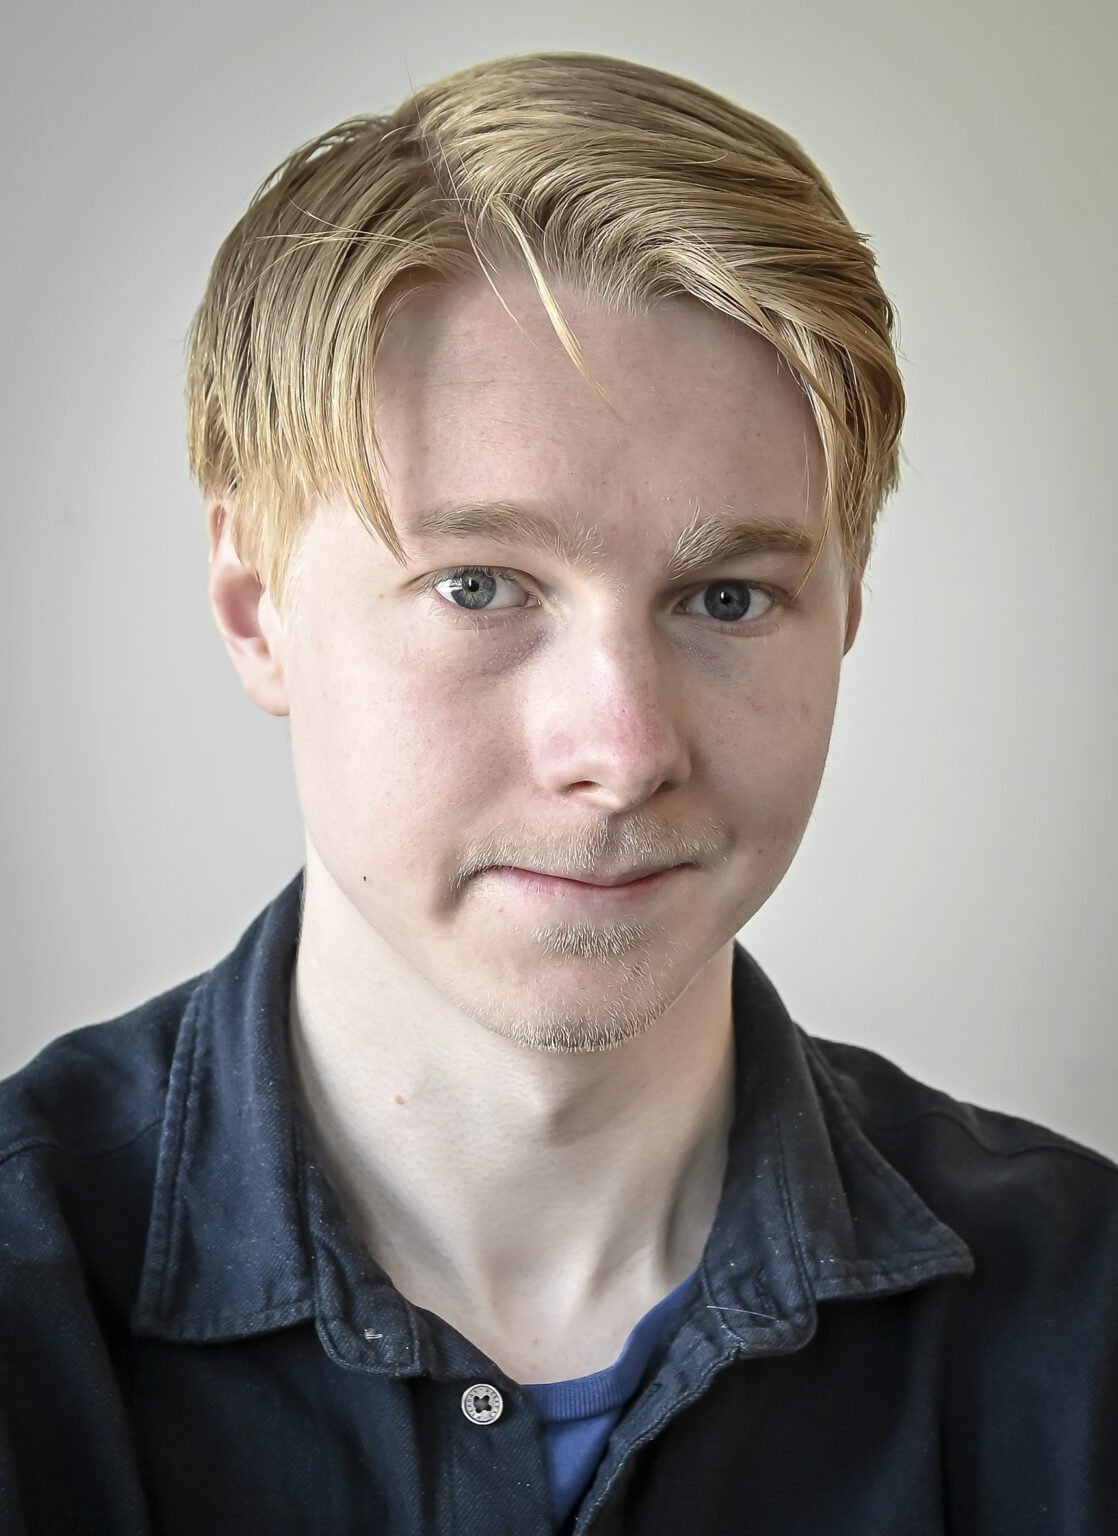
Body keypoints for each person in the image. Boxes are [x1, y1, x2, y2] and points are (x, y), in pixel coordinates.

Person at [0, 51, 1114, 1536]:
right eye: (480, 585)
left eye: (725, 597)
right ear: (255, 604)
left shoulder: (1085, 1319)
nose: (624, 748)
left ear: (847, 608)